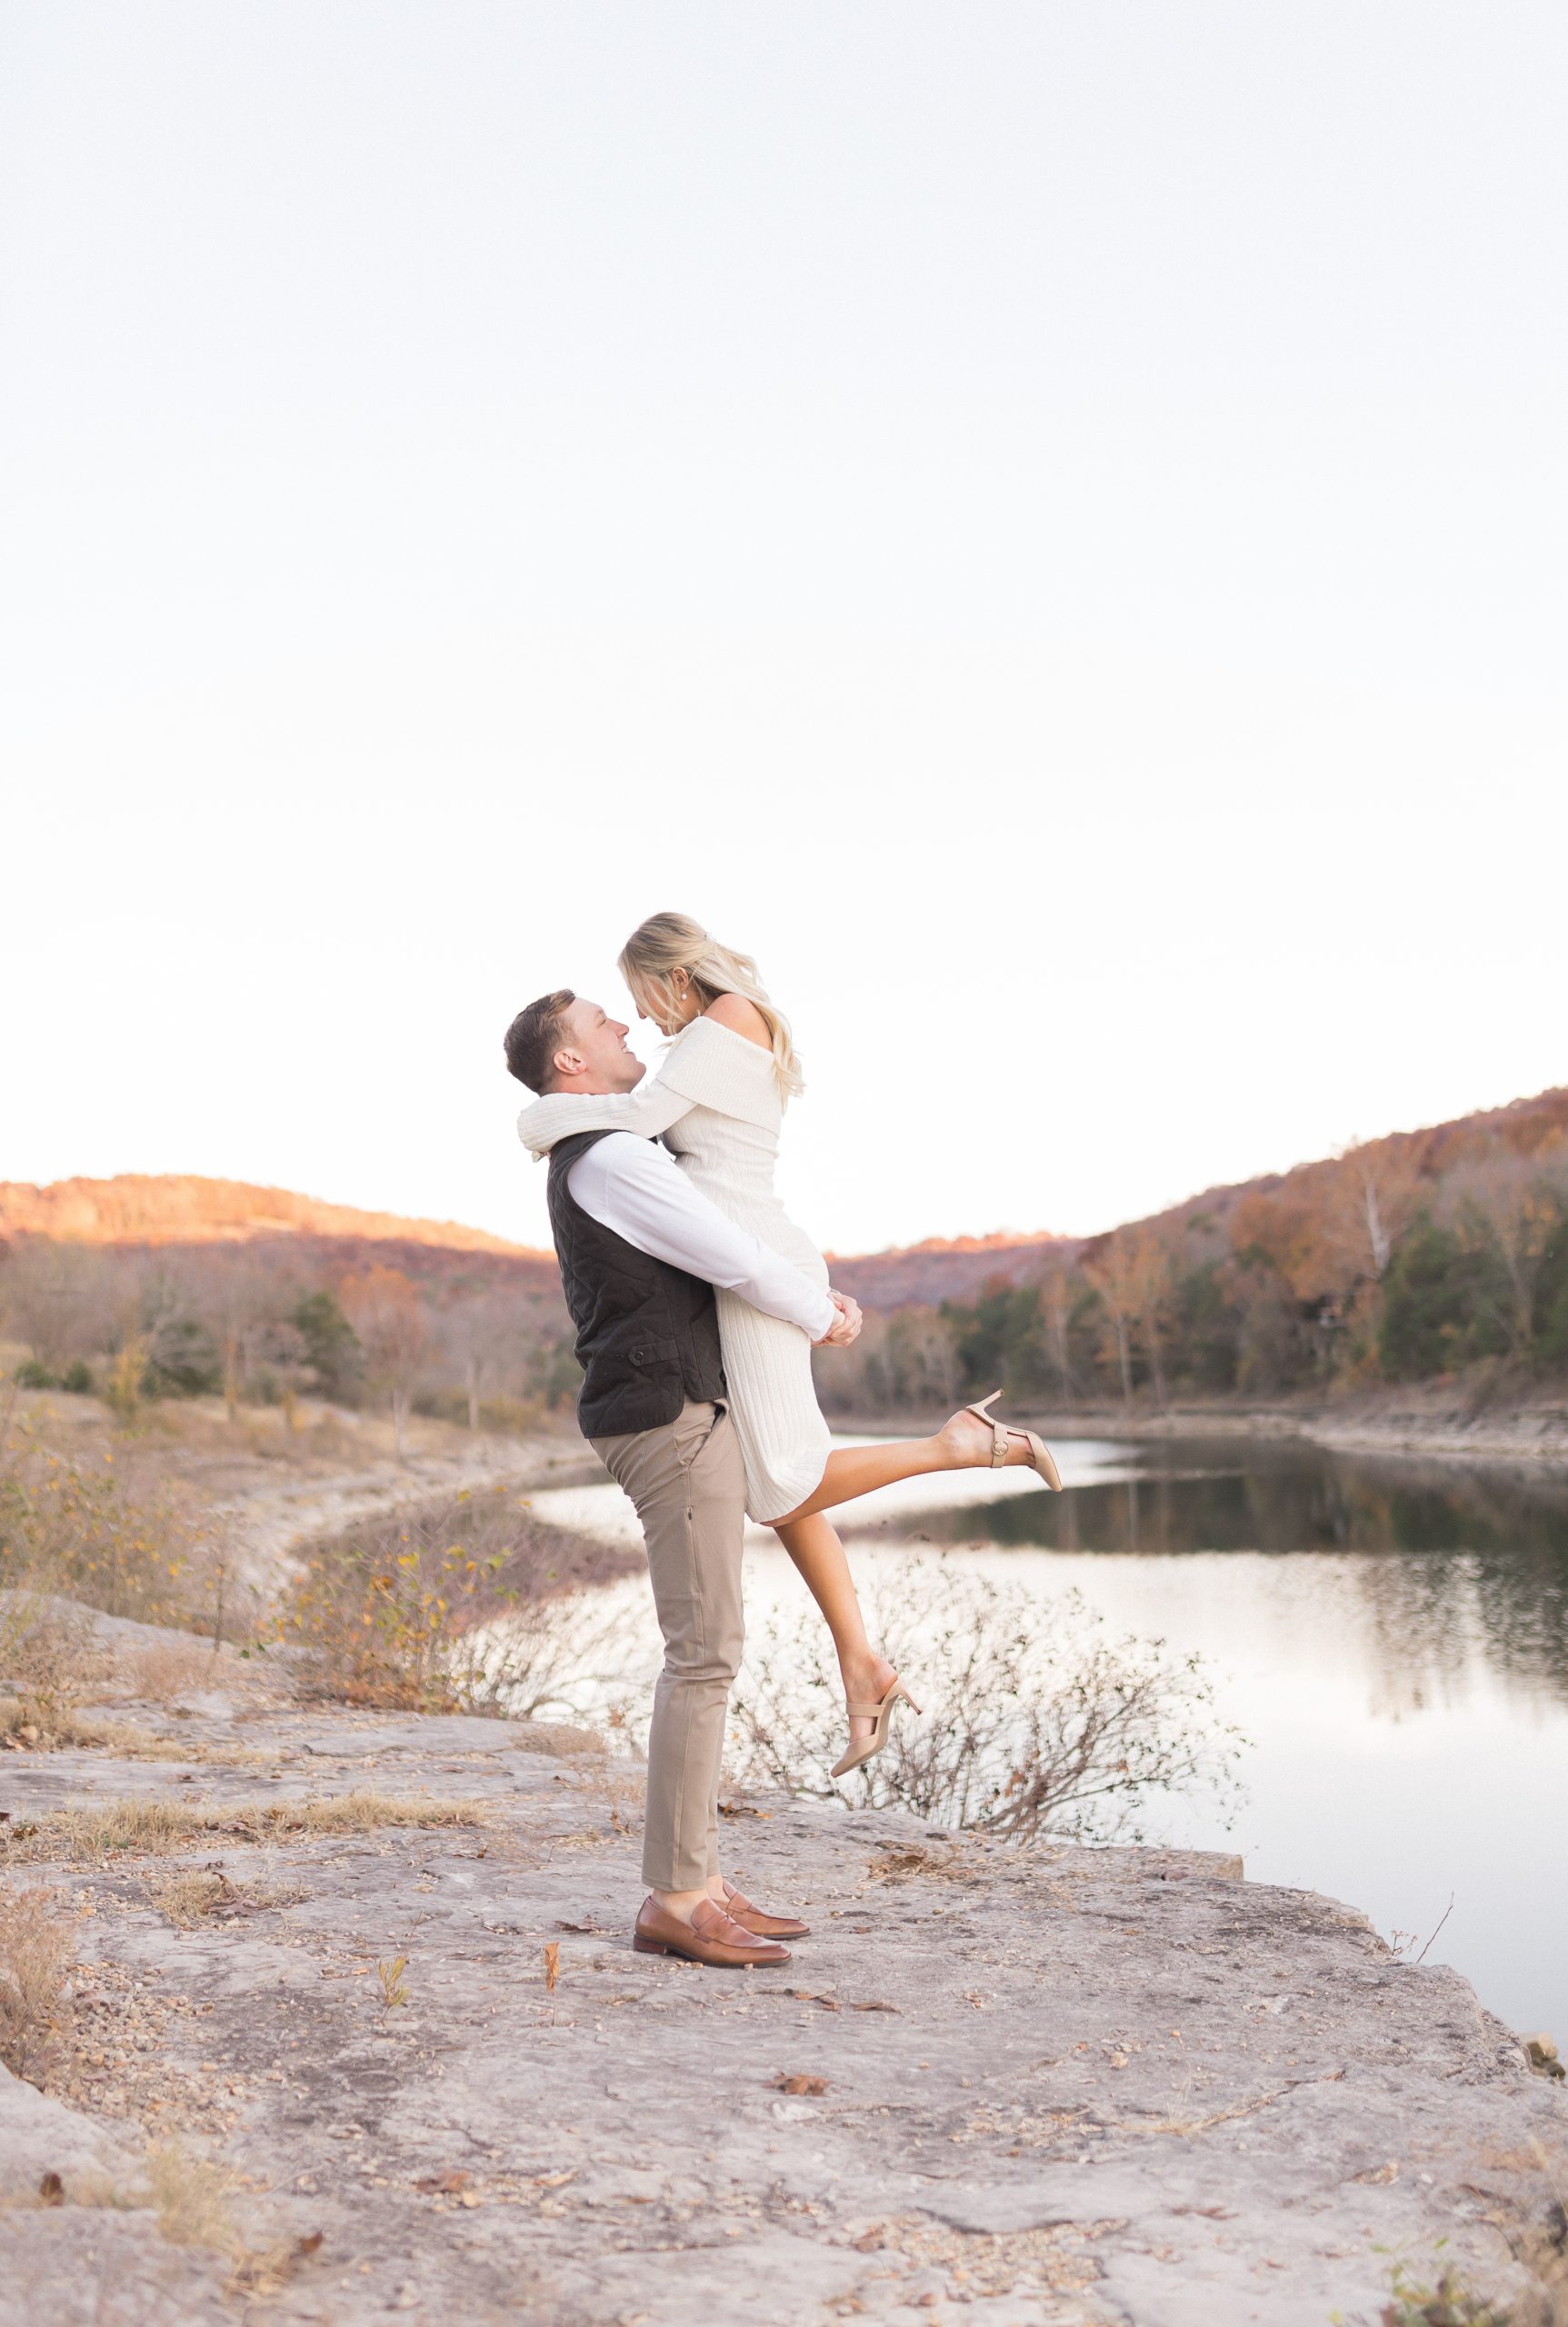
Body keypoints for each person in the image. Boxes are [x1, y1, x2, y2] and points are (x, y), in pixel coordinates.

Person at [511, 914, 1060, 1785]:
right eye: (613, 1021)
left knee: (784, 1484)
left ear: (670, 974)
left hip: (753, 1258)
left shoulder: (726, 1020)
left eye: (639, 1002)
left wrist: (538, 1120)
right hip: (744, 1267)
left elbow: (642, 1115)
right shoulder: (715, 1027)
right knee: (781, 1480)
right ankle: (861, 1661)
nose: (637, 1023)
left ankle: (955, 1446)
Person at [502, 986, 858, 1968]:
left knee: (706, 1650)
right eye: (603, 1025)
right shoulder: (611, 1155)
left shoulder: (610, 1146)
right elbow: (732, 1255)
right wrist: (821, 1311)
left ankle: (696, 1871)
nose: (625, 1028)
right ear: (569, 1063)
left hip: (669, 1410)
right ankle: (677, 1896)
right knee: (703, 1653)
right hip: (666, 1417)